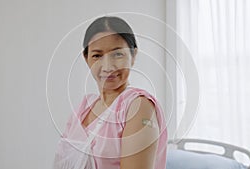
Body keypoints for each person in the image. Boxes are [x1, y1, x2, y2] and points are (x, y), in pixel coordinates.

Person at [53, 16, 168, 169]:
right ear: (86, 58)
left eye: (117, 54)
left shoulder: (138, 107)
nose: (107, 66)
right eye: (97, 55)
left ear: (133, 55)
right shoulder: (82, 109)